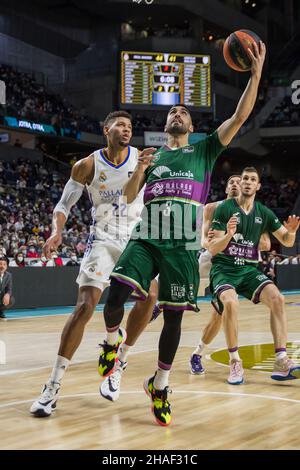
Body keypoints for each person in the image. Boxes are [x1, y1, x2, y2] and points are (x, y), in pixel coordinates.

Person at [98, 41, 267, 426]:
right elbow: (126, 198)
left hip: (183, 245)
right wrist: (138, 172)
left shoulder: (205, 150)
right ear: (166, 124)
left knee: (173, 320)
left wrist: (255, 76)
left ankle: (160, 383)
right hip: (147, 235)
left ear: (191, 127)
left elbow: (239, 117)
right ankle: (111, 343)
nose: (177, 113)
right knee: (117, 294)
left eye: (183, 112)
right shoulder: (152, 157)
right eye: (172, 111)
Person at [30, 110, 158, 417]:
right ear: (106, 129)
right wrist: (56, 231)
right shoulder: (87, 165)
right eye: (121, 125)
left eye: (130, 125)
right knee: (84, 308)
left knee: (150, 297)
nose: (127, 129)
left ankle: (119, 361)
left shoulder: (141, 158)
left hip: (135, 238)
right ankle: (52, 386)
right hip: (102, 237)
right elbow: (64, 204)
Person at [208, 166, 300, 385]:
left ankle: (281, 359)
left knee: (278, 298)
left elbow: (286, 241)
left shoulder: (263, 212)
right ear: (239, 184)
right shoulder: (224, 209)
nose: (247, 182)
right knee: (231, 304)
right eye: (244, 179)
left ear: (258, 186)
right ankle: (234, 361)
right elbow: (213, 248)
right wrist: (229, 235)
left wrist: (292, 231)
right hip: (224, 269)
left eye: (252, 179)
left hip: (248, 270)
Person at [189, 175, 271, 374]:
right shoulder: (213, 208)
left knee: (219, 315)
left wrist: (240, 236)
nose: (235, 184)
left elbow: (266, 244)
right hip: (214, 258)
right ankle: (163, 303)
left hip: (239, 265)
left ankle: (197, 354)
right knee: (187, 274)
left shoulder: (253, 211)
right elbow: (203, 240)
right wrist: (221, 240)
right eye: (231, 182)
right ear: (226, 189)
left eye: (238, 182)